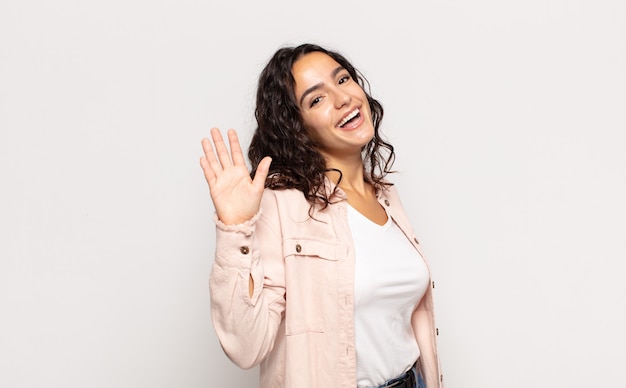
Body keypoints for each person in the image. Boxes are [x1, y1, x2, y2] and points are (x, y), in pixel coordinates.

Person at [200, 43, 444, 388]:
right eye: (316, 99)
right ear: (297, 128)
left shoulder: (386, 195)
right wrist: (235, 228)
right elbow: (246, 346)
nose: (343, 98)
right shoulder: (281, 204)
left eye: (342, 80)